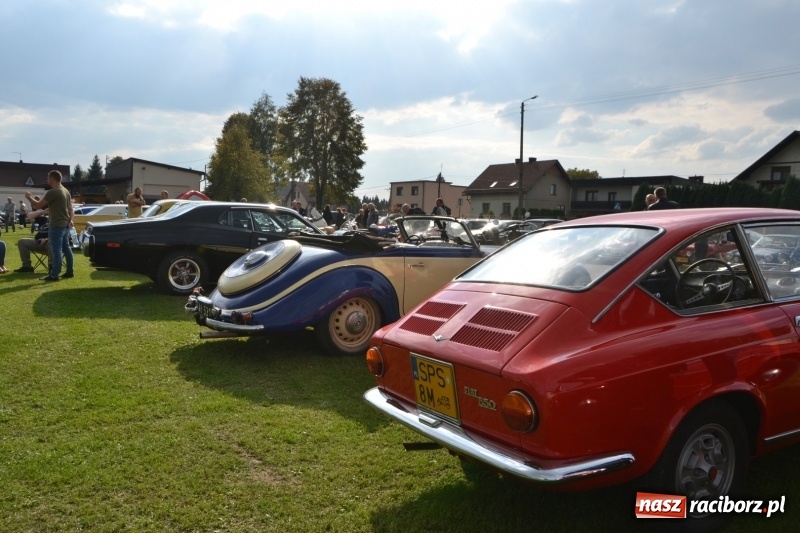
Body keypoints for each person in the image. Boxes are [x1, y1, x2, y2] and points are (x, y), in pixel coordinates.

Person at [26, 170, 74, 282]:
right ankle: (70, 271)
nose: (47, 180)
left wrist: (28, 197)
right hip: (65, 224)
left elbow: (38, 205)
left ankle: (54, 274)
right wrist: (70, 220)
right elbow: (70, 209)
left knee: (56, 250)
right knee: (66, 249)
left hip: (56, 225)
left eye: (48, 178)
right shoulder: (66, 191)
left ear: (52, 178)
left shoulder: (53, 192)